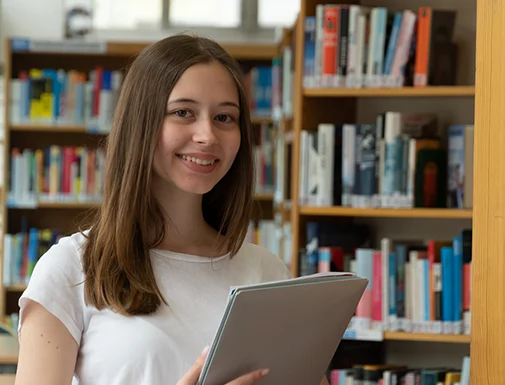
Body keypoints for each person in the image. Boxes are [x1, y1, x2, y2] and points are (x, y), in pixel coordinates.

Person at [14, 34, 325, 385]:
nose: (208, 134)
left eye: (225, 117)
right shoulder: (71, 269)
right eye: (182, 113)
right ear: (140, 124)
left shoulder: (267, 273)